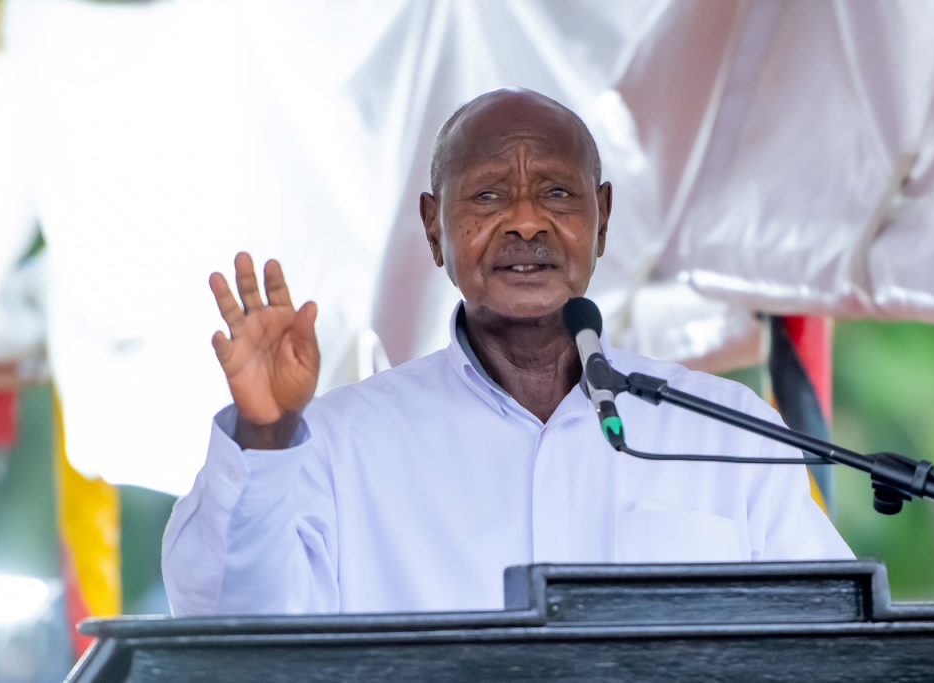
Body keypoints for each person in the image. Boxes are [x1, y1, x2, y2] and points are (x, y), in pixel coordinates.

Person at [162, 88, 853, 617]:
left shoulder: (724, 430)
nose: (526, 220)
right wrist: (267, 434)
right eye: (490, 195)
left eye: (557, 192)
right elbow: (229, 624)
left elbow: (833, 634)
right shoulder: (340, 446)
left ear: (601, 218)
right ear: (436, 229)